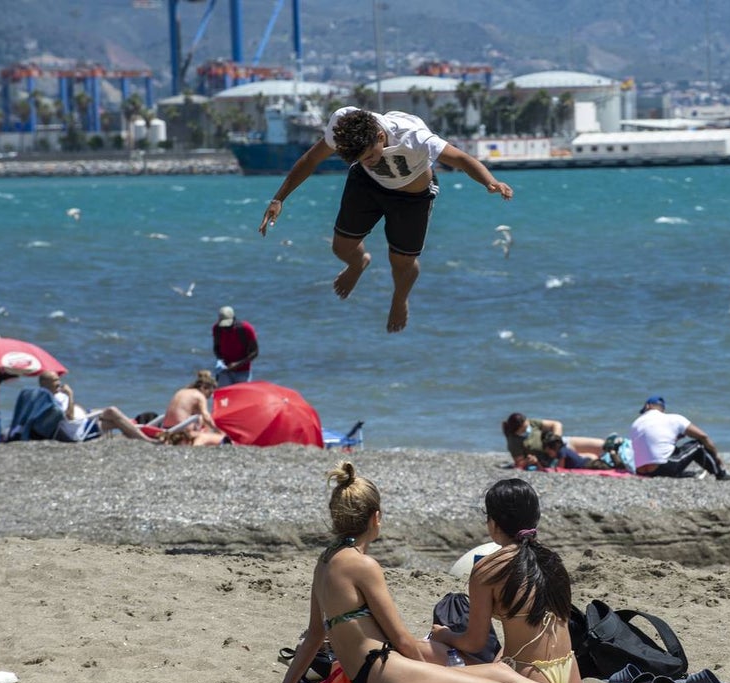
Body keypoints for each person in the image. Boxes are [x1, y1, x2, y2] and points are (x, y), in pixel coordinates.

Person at [272, 462, 657, 683]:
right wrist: (438, 663)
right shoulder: (363, 565)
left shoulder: (324, 563)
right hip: (385, 675)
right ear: (376, 518)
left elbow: (313, 638)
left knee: (502, 678)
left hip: (370, 679)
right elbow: (402, 641)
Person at [257, 107, 514, 333]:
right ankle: (359, 263)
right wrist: (279, 198)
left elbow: (461, 158)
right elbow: (311, 159)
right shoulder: (343, 126)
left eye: (368, 155)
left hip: (412, 198)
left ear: (381, 137)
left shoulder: (413, 136)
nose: (366, 160)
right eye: (359, 158)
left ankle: (400, 298)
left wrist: (491, 182)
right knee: (341, 248)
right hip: (367, 185)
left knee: (401, 262)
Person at [428, 479, 582, 683]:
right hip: (571, 677)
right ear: (535, 517)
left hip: (530, 679)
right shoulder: (553, 561)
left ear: (493, 523)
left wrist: (444, 635)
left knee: (426, 657)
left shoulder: (488, 569)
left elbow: (474, 643)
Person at [629, 396, 730, 480]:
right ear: (663, 408)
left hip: (641, 471)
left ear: (647, 406)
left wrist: (675, 439)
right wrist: (716, 455)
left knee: (673, 450)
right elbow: (703, 436)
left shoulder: (635, 424)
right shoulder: (673, 418)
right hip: (662, 468)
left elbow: (653, 444)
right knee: (698, 444)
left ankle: (687, 474)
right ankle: (720, 474)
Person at [36, 371, 156, 443]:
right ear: (45, 384)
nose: (59, 382)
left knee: (114, 417)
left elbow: (70, 409)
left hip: (85, 418)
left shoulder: (56, 394)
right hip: (80, 430)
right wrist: (70, 395)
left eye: (58, 379)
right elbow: (70, 417)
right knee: (112, 412)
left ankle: (137, 431)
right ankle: (145, 438)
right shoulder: (49, 400)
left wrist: (83, 410)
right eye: (55, 380)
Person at [501, 413, 605, 469]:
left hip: (562, 444)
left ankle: (617, 449)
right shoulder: (514, 442)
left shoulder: (532, 423)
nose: (527, 428)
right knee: (592, 459)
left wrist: (555, 440)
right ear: (517, 430)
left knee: (602, 446)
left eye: (527, 425)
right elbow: (519, 463)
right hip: (552, 456)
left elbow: (556, 424)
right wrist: (529, 461)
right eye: (524, 428)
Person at [162, 370, 220, 436]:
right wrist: (216, 429)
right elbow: (206, 416)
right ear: (203, 388)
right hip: (181, 430)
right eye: (210, 392)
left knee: (199, 415)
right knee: (202, 418)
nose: (210, 396)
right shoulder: (199, 396)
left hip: (166, 427)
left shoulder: (182, 390)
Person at [212, 306, 258, 388]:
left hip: (243, 371)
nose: (225, 328)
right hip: (224, 371)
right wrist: (221, 362)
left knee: (241, 397)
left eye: (228, 326)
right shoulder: (217, 329)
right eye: (223, 326)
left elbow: (255, 352)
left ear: (234, 319)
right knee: (223, 397)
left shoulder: (246, 329)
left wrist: (237, 364)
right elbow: (216, 348)